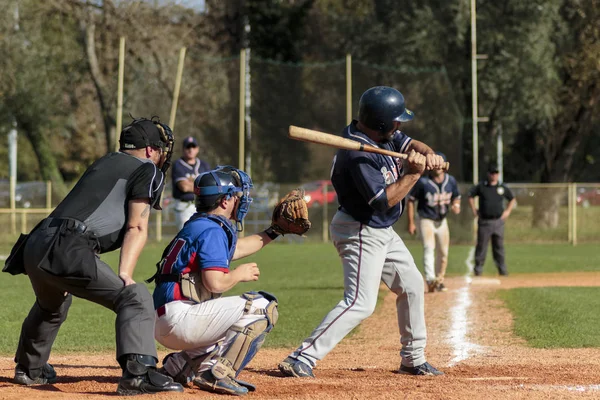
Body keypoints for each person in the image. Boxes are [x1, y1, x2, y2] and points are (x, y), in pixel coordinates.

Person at [4, 117, 184, 395]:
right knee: (134, 297)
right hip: (68, 245)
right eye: (161, 149)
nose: (162, 155)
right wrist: (125, 273)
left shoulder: (104, 161)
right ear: (150, 150)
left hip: (35, 242)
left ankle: (30, 369)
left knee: (52, 305)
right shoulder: (148, 169)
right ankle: (139, 374)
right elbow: (137, 226)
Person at [278, 86, 446, 378]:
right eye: (396, 121)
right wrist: (414, 174)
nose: (400, 125)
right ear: (381, 123)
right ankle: (301, 358)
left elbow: (413, 144)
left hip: (381, 230)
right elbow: (383, 201)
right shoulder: (356, 154)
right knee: (360, 302)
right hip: (359, 228)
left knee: (412, 285)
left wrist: (429, 156)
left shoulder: (385, 136)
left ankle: (413, 358)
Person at [150, 166, 287, 396]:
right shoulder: (212, 230)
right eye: (236, 196)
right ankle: (218, 373)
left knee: (227, 335)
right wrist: (238, 274)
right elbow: (215, 283)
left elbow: (239, 248)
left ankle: (179, 366)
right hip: (181, 319)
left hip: (166, 319)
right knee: (263, 307)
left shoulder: (199, 224)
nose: (239, 201)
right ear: (224, 201)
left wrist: (275, 230)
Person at [407, 152, 461, 293]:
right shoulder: (423, 182)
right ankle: (430, 280)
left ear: (444, 165)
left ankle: (439, 280)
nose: (437, 166)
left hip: (442, 221)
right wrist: (411, 222)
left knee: (443, 253)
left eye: (440, 163)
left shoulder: (451, 181)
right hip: (426, 219)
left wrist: (456, 205)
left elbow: (456, 197)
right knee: (428, 248)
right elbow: (411, 201)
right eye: (435, 163)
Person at [468, 163, 516, 276]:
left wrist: (507, 211)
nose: (494, 175)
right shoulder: (482, 186)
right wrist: (474, 209)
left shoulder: (502, 187)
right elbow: (470, 195)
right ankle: (478, 269)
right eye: (492, 173)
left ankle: (502, 270)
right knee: (481, 247)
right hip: (484, 221)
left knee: (499, 247)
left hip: (498, 222)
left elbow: (512, 199)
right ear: (488, 174)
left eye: (496, 173)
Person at [172, 136, 211, 230]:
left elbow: (210, 185)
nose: (191, 149)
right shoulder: (178, 164)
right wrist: (203, 187)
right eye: (188, 147)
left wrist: (192, 183)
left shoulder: (204, 165)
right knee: (187, 235)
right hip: (184, 206)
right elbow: (184, 187)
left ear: (197, 149)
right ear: (183, 149)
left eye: (193, 147)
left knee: (202, 234)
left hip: (202, 205)